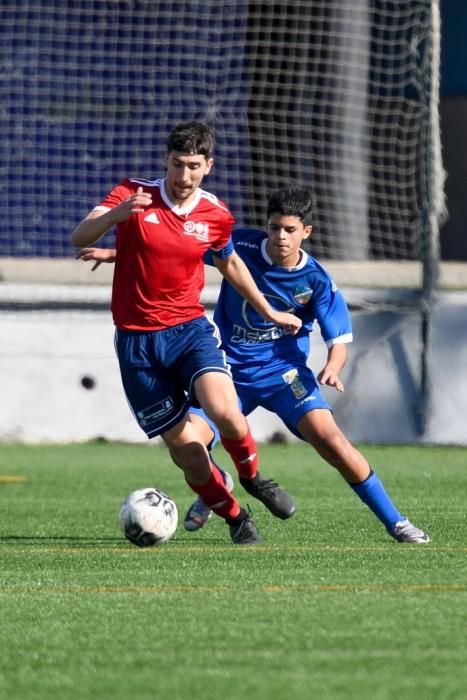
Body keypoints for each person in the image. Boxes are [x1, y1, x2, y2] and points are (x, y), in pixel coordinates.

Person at [80, 186, 430, 544]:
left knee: (333, 442)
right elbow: (174, 248)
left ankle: (397, 523)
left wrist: (332, 368)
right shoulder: (240, 246)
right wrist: (115, 251)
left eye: (290, 230)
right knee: (186, 448)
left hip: (284, 375)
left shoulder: (317, 280)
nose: (280, 236)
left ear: (306, 232)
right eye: (275, 227)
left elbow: (338, 339)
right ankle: (221, 490)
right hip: (228, 370)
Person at [72, 121, 299, 546]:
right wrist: (119, 217)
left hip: (188, 331)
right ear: (166, 161)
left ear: (208, 165)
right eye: (178, 165)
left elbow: (229, 264)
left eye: (194, 166)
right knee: (189, 455)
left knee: (226, 411)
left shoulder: (215, 214)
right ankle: (236, 519)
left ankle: (253, 479)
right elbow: (79, 235)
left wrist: (268, 309)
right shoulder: (131, 192)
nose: (184, 176)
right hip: (138, 344)